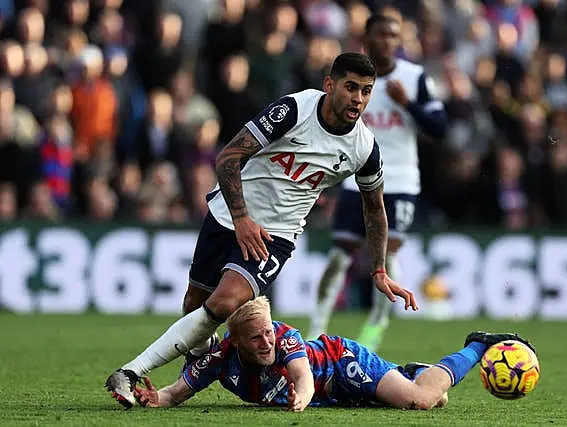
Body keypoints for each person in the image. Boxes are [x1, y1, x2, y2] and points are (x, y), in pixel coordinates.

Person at [105, 52, 418, 409]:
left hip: (275, 236)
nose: (358, 99)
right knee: (194, 306)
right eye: (350, 88)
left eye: (366, 91)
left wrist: (379, 269)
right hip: (228, 215)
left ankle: (130, 372)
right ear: (329, 85)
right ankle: (193, 374)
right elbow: (228, 157)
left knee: (222, 303)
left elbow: (374, 209)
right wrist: (241, 218)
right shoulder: (294, 111)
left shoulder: (364, 147)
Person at [308, 15, 447, 350]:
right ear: (366, 38)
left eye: (394, 35)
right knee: (339, 257)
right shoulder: (349, 80)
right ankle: (315, 330)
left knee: (384, 254)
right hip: (354, 181)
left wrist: (407, 104)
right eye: (381, 34)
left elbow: (440, 128)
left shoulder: (413, 78)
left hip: (399, 182)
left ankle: (376, 324)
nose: (388, 41)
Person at [131, 296, 536, 411]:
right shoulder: (220, 359)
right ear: (234, 341)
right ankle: (413, 370)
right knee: (436, 393)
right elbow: (175, 394)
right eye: (256, 338)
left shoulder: (285, 338)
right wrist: (154, 398)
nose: (266, 342)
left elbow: (302, 374)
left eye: (268, 332)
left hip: (342, 366)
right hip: (335, 396)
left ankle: (477, 345)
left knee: (423, 399)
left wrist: (302, 396)